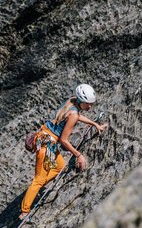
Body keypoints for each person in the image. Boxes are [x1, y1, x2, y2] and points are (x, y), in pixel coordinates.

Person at [19, 84, 108, 220]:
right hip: (47, 145)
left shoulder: (72, 101)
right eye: (88, 104)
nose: (90, 107)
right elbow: (64, 140)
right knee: (39, 179)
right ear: (81, 101)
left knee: (60, 168)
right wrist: (79, 155)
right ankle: (24, 212)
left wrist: (94, 124)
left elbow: (77, 116)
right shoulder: (73, 113)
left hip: (44, 138)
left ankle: (36, 190)